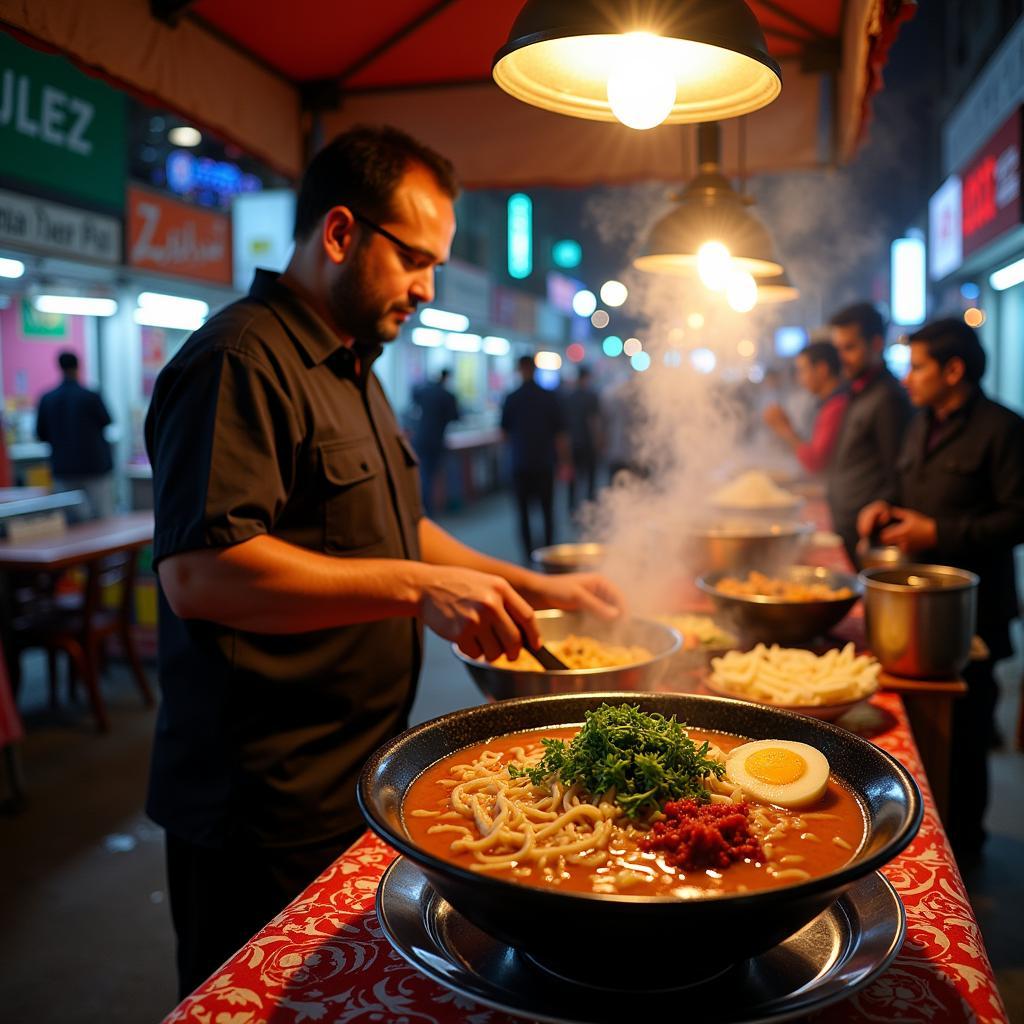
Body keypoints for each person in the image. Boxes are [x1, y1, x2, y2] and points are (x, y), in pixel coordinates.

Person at [144, 125, 623, 997]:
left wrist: (540, 584)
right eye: (414, 259)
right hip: (264, 802)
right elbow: (201, 575)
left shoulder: (352, 367)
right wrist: (418, 589)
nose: (428, 288)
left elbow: (401, 528)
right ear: (339, 233)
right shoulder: (240, 359)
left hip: (355, 773)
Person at [857, 318, 1024, 869]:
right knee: (922, 737)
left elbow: (1017, 517)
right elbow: (904, 484)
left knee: (968, 738)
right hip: (914, 607)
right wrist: (884, 503)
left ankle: (967, 857)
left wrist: (940, 533)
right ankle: (925, 842)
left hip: (971, 613)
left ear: (954, 370)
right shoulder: (919, 423)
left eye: (919, 366)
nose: (908, 378)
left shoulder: (1002, 429)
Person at [826, 302, 911, 566]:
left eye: (849, 347)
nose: (841, 358)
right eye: (838, 349)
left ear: (875, 344)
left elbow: (896, 472)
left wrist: (875, 526)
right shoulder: (858, 391)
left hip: (866, 534)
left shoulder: (887, 397)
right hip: (848, 526)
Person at [500, 354, 570, 560]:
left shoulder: (511, 398)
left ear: (519, 370)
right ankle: (548, 553)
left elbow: (503, 433)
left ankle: (528, 554)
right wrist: (565, 461)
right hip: (545, 463)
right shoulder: (549, 397)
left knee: (523, 513)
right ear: (535, 369)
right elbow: (561, 434)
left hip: (520, 463)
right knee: (547, 510)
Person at [35, 351, 114, 521]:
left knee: (71, 523)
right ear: (78, 366)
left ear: (59, 367)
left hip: (64, 468)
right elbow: (107, 421)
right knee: (102, 519)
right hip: (95, 466)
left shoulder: (47, 399)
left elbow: (41, 434)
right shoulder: (91, 396)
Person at [762, 340, 849, 476]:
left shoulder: (837, 406)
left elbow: (816, 463)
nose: (799, 378)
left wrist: (783, 428)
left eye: (802, 370)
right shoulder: (827, 403)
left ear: (822, 369)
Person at [410, 367, 459, 515]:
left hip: (421, 438)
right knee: (433, 474)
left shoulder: (426, 391)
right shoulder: (448, 396)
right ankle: (431, 508)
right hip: (436, 440)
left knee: (423, 474)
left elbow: (413, 396)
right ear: (447, 378)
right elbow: (456, 417)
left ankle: (425, 508)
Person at [564, 365, 602, 516]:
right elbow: (593, 421)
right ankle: (590, 507)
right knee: (590, 478)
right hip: (588, 443)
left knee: (573, 479)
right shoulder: (591, 396)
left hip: (572, 443)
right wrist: (598, 439)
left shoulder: (569, 397)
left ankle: (572, 508)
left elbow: (564, 425)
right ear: (586, 378)